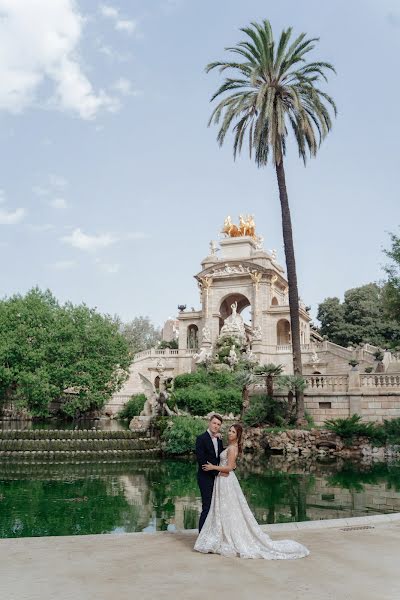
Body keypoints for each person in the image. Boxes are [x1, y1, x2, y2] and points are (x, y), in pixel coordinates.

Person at [194, 423, 309, 560]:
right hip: (222, 480)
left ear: (237, 436)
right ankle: (223, 533)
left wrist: (213, 467)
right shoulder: (229, 446)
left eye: (232, 432)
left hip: (226, 481)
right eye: (229, 431)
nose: (229, 433)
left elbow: (229, 467)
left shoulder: (232, 448)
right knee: (225, 509)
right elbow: (231, 463)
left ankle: (229, 536)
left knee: (229, 508)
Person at [195, 414, 226, 532]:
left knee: (216, 507)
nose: (216, 426)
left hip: (217, 479)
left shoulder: (219, 439)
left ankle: (212, 534)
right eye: (214, 423)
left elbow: (220, 457)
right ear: (209, 423)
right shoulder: (201, 438)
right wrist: (218, 473)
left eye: (218, 424)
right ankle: (201, 537)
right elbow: (202, 462)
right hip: (205, 478)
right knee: (207, 507)